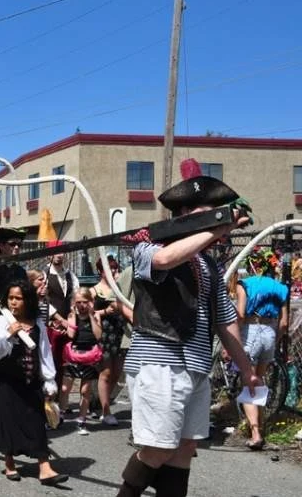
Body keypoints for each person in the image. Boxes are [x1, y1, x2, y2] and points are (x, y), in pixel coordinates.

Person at [117, 165, 259, 497]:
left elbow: (225, 321)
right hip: (160, 363)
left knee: (183, 452)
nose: (217, 219)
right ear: (184, 214)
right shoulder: (147, 246)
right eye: (209, 212)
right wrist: (219, 227)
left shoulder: (209, 265)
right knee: (158, 449)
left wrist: (248, 368)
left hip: (196, 367)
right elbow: (166, 260)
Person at [0, 280, 68, 487]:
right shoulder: (1, 322)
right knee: (8, 422)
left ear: (27, 300)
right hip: (7, 383)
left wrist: (50, 381)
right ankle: (9, 461)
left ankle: (45, 468)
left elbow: (44, 352)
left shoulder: (37, 323)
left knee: (36, 423)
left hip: (31, 383)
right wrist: (8, 335)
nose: (13, 302)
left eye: (18, 298)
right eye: (11, 297)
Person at [234, 248, 289, 450]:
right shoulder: (281, 287)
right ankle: (260, 423)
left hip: (251, 329)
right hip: (271, 331)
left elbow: (240, 315)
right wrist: (276, 338)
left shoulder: (245, 285)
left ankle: (255, 432)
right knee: (259, 381)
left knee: (248, 380)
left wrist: (233, 339)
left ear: (251, 266)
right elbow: (284, 323)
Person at [58, 287, 102, 436]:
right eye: (78, 302)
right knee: (65, 388)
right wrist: (74, 316)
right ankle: (61, 414)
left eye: (85, 302)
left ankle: (82, 419)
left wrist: (90, 315)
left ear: (90, 302)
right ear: (74, 303)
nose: (82, 305)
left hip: (90, 354)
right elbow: (71, 334)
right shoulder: (72, 315)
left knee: (85, 390)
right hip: (74, 354)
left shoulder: (95, 316)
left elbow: (98, 335)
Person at [92, 255, 129, 426]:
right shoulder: (94, 290)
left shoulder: (121, 288)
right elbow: (90, 313)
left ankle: (101, 402)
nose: (113, 271)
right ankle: (106, 411)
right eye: (109, 268)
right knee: (105, 372)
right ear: (100, 271)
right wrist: (102, 313)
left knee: (116, 372)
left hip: (120, 332)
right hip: (105, 334)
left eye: (115, 268)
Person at [45, 242, 80, 390]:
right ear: (49, 255)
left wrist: (71, 320)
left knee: (66, 362)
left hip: (68, 326)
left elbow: (74, 297)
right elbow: (43, 302)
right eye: (55, 252)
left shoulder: (70, 275)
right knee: (50, 361)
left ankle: (61, 398)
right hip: (52, 326)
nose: (59, 255)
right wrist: (59, 319)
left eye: (61, 252)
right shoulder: (44, 274)